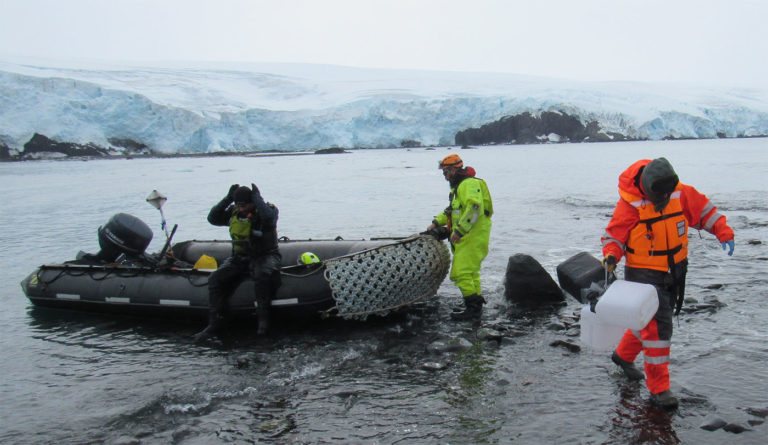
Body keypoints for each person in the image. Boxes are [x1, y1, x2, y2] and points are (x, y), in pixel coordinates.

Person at [601, 157, 735, 409]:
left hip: (675, 270)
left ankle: (622, 355)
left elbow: (705, 211)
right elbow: (615, 235)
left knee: (649, 322)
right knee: (659, 331)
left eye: (666, 193)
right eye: (659, 195)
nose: (663, 198)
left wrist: (723, 232)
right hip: (644, 275)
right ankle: (659, 389)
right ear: (647, 188)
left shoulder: (680, 193)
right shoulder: (630, 203)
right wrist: (610, 256)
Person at [194, 183, 281, 341]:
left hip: (266, 255)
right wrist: (227, 199)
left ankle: (263, 325)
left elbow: (269, 218)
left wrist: (257, 198)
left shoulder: (266, 211)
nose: (241, 208)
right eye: (238, 205)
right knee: (215, 279)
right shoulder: (234, 213)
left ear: (252, 202)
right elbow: (212, 218)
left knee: (262, 276)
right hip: (240, 257)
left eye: (244, 205)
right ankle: (214, 324)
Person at [425, 154, 493, 320]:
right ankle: (475, 303)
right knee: (471, 272)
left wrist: (460, 230)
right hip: (468, 237)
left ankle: (473, 309)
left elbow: (474, 207)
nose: (445, 176)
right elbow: (452, 211)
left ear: (454, 170)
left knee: (460, 273)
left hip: (471, 236)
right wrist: (436, 222)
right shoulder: (459, 187)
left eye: (446, 172)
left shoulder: (468, 184)